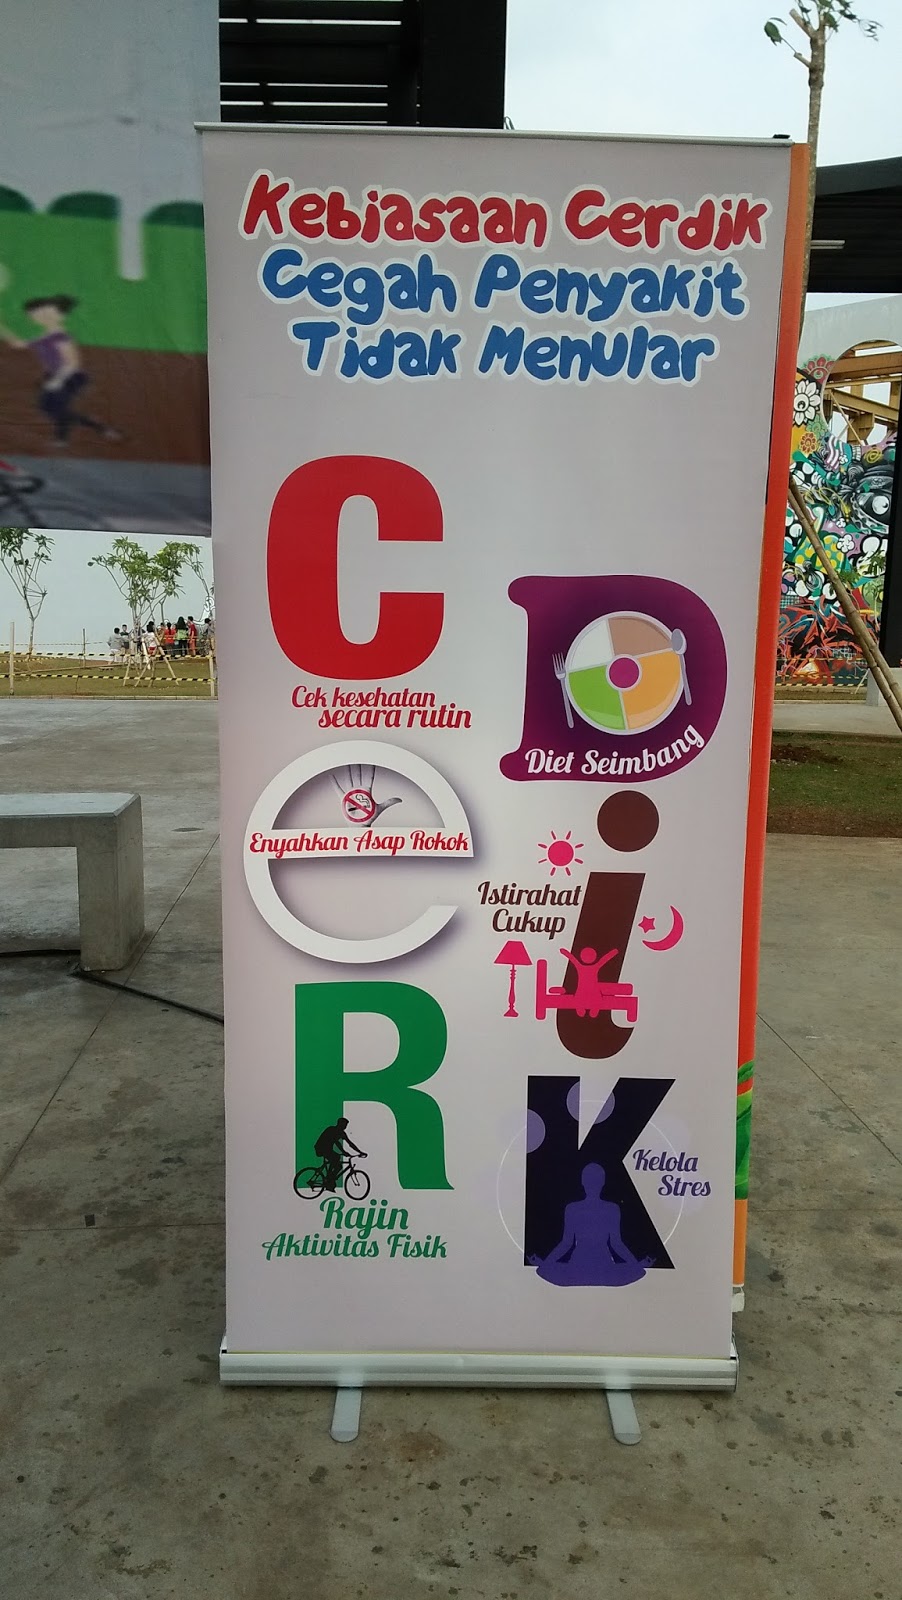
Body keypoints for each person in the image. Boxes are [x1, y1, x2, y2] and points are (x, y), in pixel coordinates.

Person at [0, 295, 121, 448]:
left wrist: (58, 380)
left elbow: (73, 363)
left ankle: (71, 436)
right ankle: (98, 429)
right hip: (53, 376)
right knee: (48, 408)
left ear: (60, 316)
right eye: (35, 315)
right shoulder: (44, 337)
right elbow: (18, 344)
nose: (40, 317)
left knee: (56, 408)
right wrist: (2, 327)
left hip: (71, 377)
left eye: (45, 313)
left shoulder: (61, 336)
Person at [530, 1164, 653, 1288]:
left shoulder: (574, 1209)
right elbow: (616, 1244)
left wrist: (545, 1264)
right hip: (596, 1266)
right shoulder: (610, 1209)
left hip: (586, 1266)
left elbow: (566, 1243)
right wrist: (636, 1265)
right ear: (602, 1182)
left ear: (583, 1182)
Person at [313, 1117, 366, 1193]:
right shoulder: (332, 1129)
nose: (345, 1127)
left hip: (328, 1149)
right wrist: (344, 1152)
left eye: (346, 1125)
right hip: (321, 1148)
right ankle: (329, 1179)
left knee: (337, 1162)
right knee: (336, 1159)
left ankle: (329, 1181)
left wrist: (360, 1152)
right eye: (344, 1125)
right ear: (339, 1124)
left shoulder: (342, 1133)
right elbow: (336, 1142)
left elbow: (350, 1143)